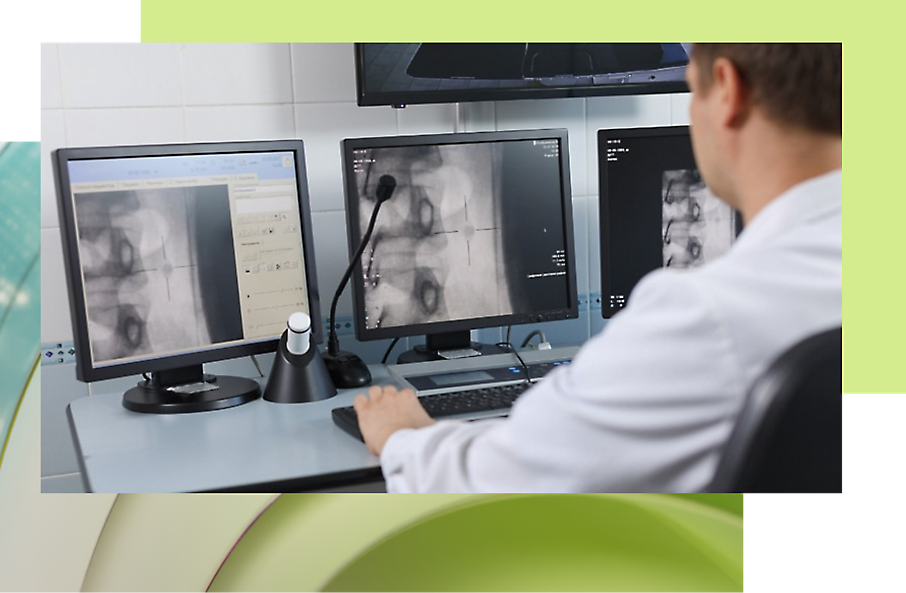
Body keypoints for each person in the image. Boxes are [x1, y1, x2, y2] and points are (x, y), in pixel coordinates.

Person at [353, 43, 842, 492]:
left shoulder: (705, 316)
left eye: (693, 89)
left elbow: (507, 482)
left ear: (727, 92)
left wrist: (400, 437)